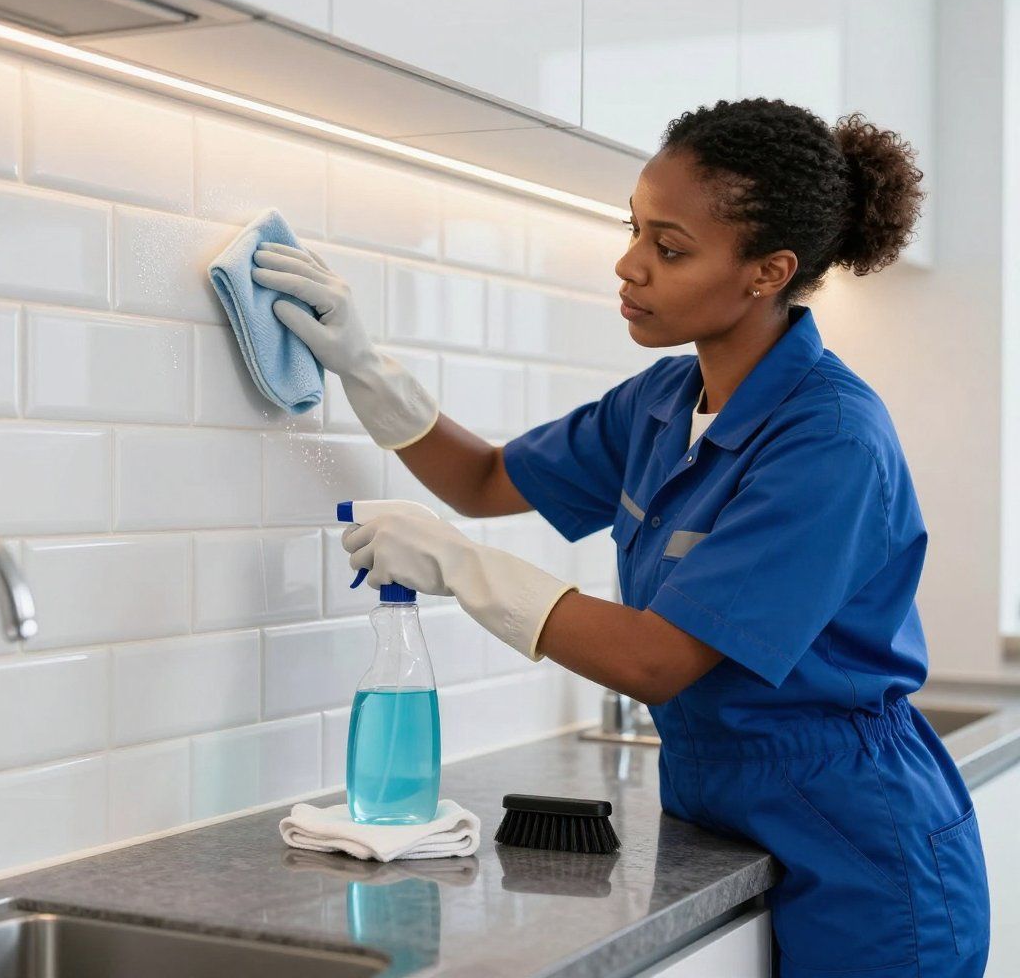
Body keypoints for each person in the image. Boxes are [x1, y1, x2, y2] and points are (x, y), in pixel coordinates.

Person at [253, 97, 991, 977]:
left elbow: (656, 662)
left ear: (768, 272)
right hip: (723, 812)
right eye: (635, 228)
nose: (629, 263)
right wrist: (366, 368)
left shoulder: (829, 440)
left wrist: (459, 565)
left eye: (669, 249)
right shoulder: (659, 403)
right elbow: (484, 480)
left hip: (866, 853)